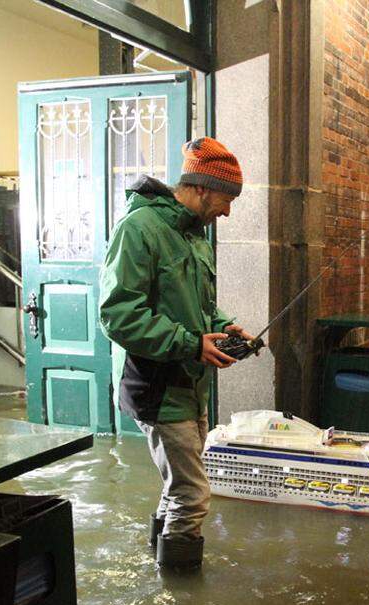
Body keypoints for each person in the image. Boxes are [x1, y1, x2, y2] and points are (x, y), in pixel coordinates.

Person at [99, 137, 253, 570]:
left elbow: (196, 306)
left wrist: (221, 327)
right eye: (226, 199)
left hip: (188, 385)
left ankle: (160, 565)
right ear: (202, 188)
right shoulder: (139, 229)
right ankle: (183, 603)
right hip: (157, 385)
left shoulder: (194, 237)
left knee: (178, 487)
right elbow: (118, 315)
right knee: (192, 493)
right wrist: (190, 343)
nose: (227, 212)